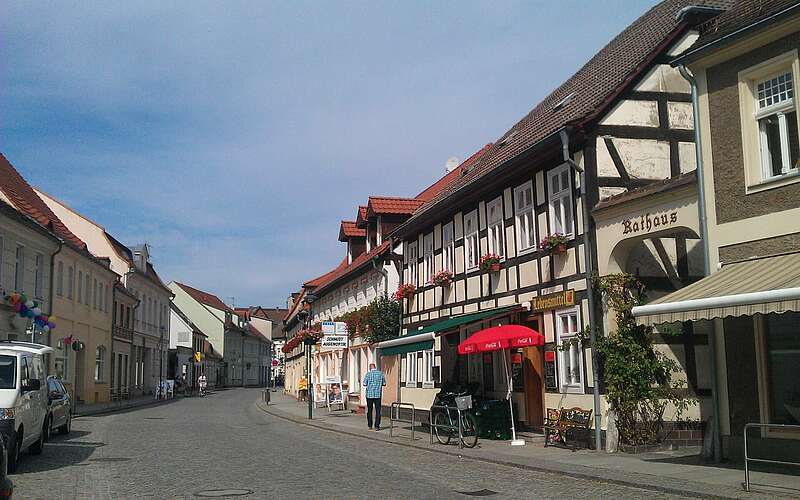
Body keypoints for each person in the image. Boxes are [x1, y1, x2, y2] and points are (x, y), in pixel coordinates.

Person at [362, 363, 386, 431]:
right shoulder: (381, 374)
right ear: (375, 367)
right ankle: (377, 426)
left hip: (369, 395)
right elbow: (384, 383)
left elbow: (364, 384)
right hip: (378, 395)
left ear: (370, 368)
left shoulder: (368, 374)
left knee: (369, 410)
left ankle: (370, 425)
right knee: (378, 410)